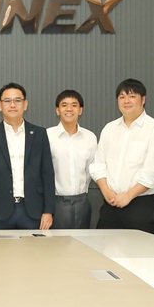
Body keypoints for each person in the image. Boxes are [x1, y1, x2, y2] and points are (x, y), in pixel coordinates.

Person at [89, 79, 154, 232]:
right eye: (122, 97)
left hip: (140, 207)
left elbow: (153, 173)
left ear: (143, 99)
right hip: (110, 204)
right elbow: (98, 165)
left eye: (132, 96)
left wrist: (128, 196)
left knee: (138, 247)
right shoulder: (109, 129)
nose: (126, 101)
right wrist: (106, 192)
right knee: (103, 246)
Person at [0, 83, 55, 230]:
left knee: (35, 246)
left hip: (34, 211)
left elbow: (47, 174)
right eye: (7, 101)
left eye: (17, 100)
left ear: (25, 104)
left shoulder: (39, 134)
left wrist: (48, 210)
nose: (12, 105)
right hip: (0, 212)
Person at [46, 90, 97, 229]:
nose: (69, 109)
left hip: (82, 202)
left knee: (82, 241)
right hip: (55, 203)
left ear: (80, 110)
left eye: (74, 105)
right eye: (64, 105)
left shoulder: (90, 137)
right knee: (56, 242)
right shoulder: (47, 136)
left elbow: (91, 170)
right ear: (57, 110)